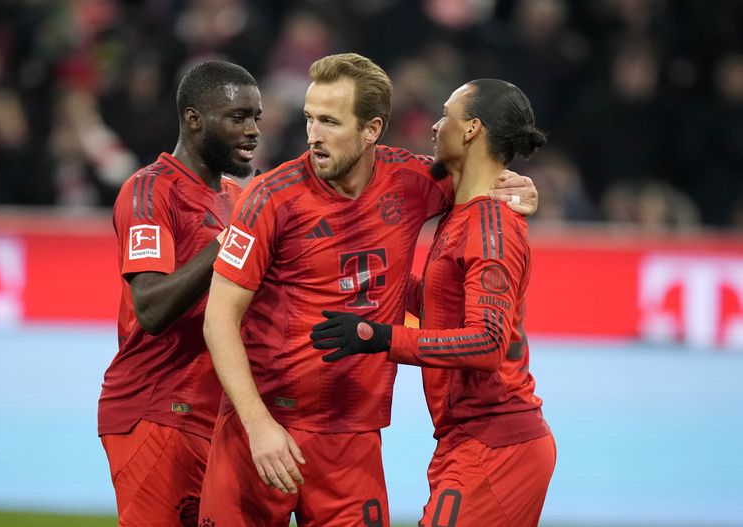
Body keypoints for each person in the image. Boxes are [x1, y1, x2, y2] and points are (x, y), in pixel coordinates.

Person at [199, 53, 539, 527]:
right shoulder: (269, 198)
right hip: (263, 432)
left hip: (353, 442)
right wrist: (258, 427)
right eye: (310, 119)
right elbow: (219, 318)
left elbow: (478, 178)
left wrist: (519, 186)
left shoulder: (415, 181)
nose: (313, 134)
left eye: (330, 122)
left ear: (372, 129)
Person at [311, 79, 555, 526]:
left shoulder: (490, 225)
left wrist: (379, 337)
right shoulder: (465, 214)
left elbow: (486, 344)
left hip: (496, 444)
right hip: (469, 438)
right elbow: (442, 305)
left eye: (446, 115)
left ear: (471, 130)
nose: (435, 126)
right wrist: (359, 273)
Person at [97, 60, 262, 527]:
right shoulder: (150, 192)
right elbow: (150, 307)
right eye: (237, 118)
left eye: (257, 119)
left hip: (216, 416)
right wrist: (228, 242)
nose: (252, 131)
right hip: (157, 409)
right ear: (193, 119)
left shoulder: (237, 199)